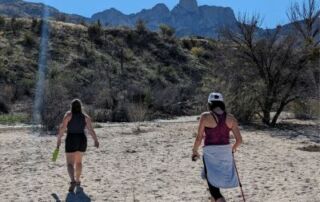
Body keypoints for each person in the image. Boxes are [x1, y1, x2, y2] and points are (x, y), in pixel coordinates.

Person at [192, 92, 243, 202]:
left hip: (210, 152)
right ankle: (213, 198)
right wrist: (232, 148)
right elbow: (239, 140)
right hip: (225, 151)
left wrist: (195, 151)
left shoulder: (205, 116)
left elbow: (199, 137)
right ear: (222, 103)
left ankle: (217, 198)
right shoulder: (231, 118)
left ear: (210, 104)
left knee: (212, 184)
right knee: (215, 176)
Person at [56, 99, 100, 192]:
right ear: (81, 107)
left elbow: (63, 128)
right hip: (82, 139)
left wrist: (59, 139)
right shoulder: (85, 117)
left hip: (71, 138)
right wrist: (96, 140)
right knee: (79, 162)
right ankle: (78, 180)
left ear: (71, 106)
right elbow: (91, 130)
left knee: (69, 163)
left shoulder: (68, 115)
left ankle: (72, 181)